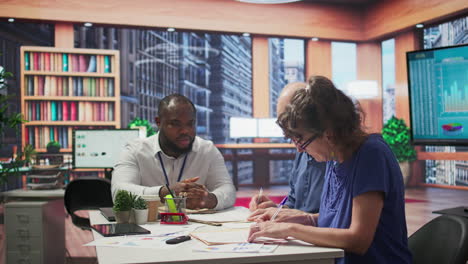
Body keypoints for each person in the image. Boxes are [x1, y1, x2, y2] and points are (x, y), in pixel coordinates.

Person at [248, 76, 412, 264]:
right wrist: (302, 218)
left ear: (329, 133)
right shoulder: (334, 158)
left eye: (301, 140)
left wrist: (290, 230)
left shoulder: (371, 155)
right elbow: (337, 222)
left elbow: (358, 239)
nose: (299, 149)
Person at [112, 94, 236, 210]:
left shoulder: (207, 150)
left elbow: (228, 189)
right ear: (158, 122)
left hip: (196, 228)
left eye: (190, 124)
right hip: (151, 227)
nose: (185, 131)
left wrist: (210, 199)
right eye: (176, 124)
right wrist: (164, 192)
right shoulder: (135, 151)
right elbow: (119, 193)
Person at [249, 82, 326, 213]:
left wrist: (295, 221)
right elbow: (294, 204)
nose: (298, 147)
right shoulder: (301, 151)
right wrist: (275, 209)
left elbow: (336, 220)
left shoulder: (334, 156)